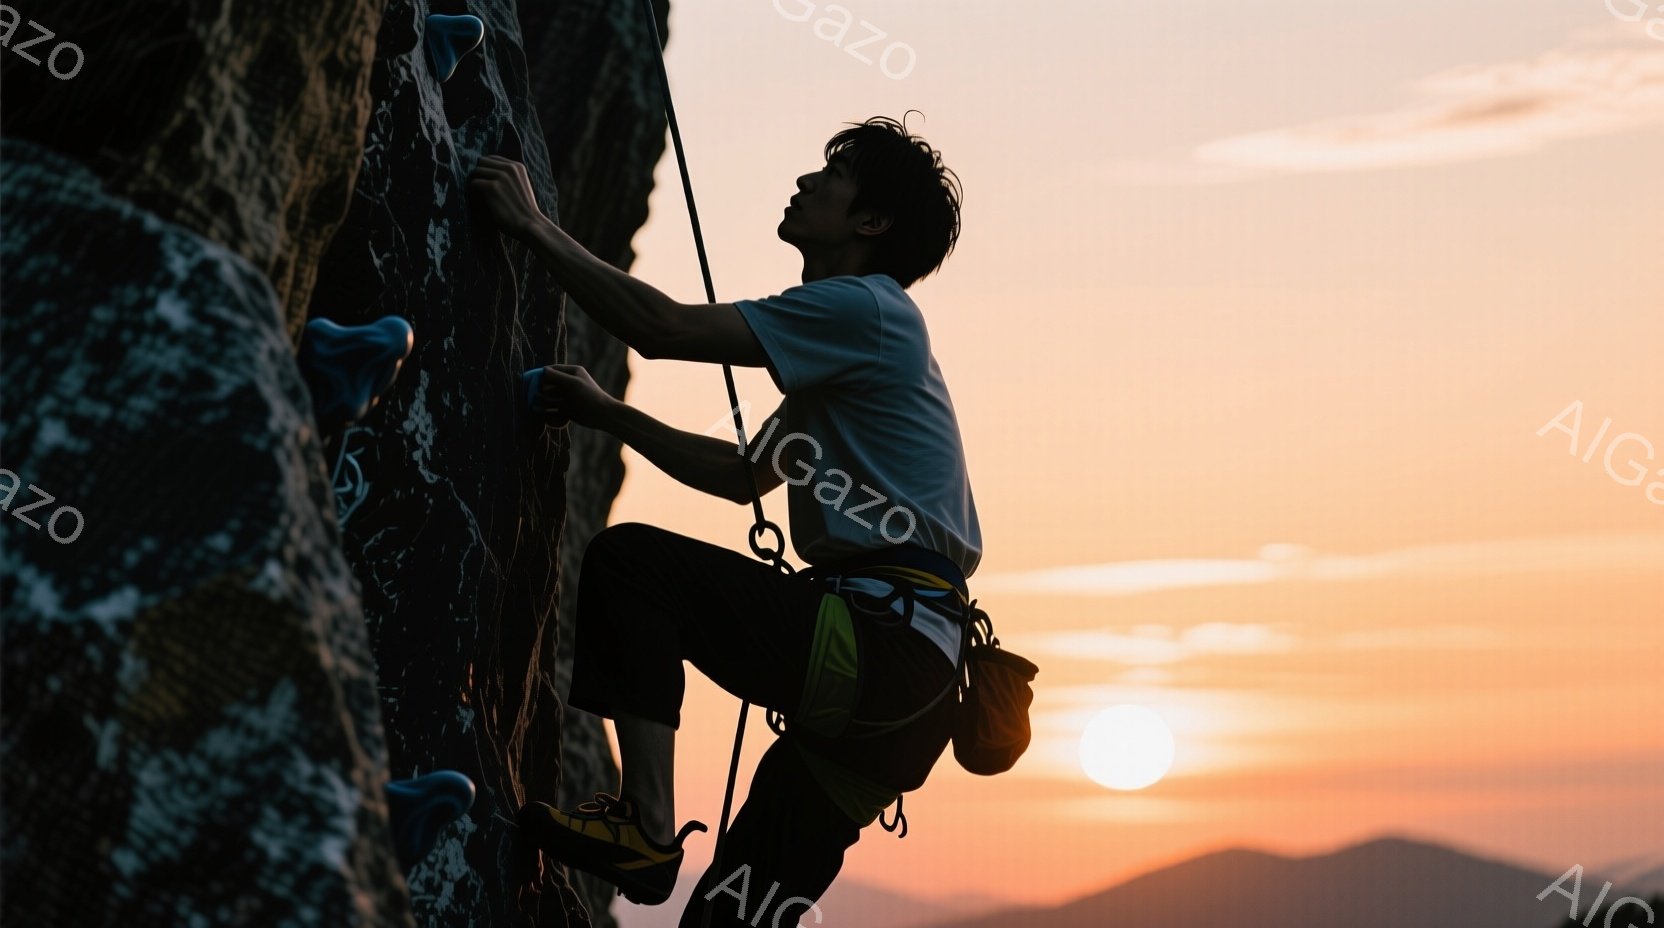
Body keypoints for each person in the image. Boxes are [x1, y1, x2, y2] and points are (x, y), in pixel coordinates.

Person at [468, 114, 979, 927]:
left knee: (634, 567)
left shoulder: (866, 310)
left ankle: (645, 827)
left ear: (872, 221)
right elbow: (744, 476)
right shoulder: (852, 344)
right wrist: (609, 413)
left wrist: (532, 226)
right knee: (727, 920)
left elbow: (663, 328)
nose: (807, 182)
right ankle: (652, 842)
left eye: (833, 176)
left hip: (878, 647)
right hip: (903, 694)